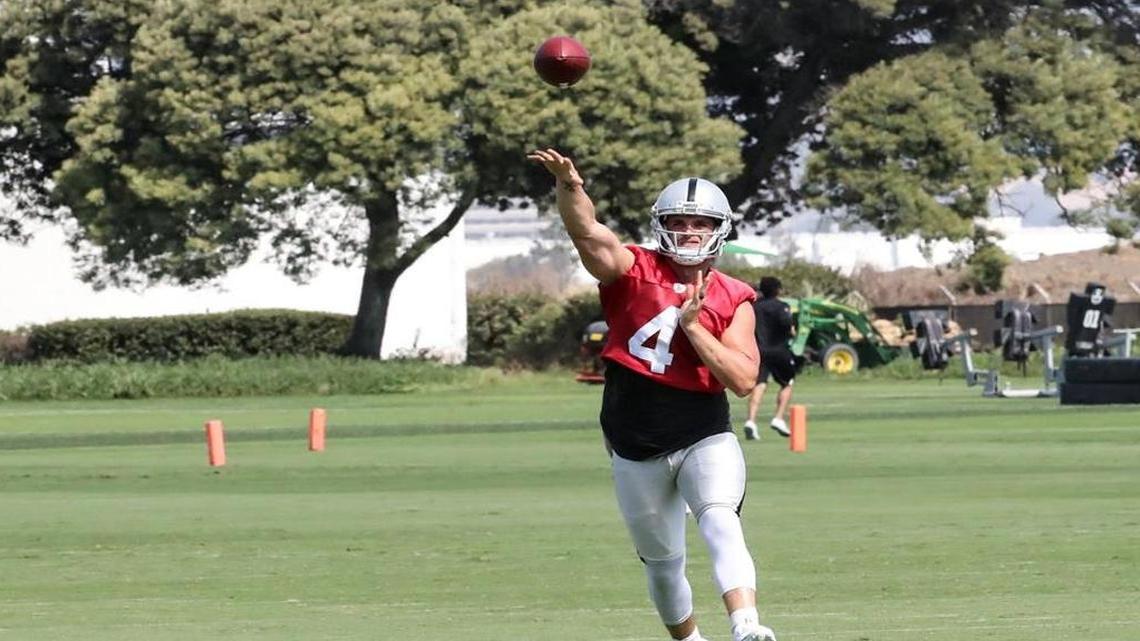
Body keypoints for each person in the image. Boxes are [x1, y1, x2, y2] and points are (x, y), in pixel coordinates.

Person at [526, 148, 778, 641]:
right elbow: (588, 233)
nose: (688, 231)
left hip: (703, 433)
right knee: (663, 563)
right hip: (634, 444)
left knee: (720, 519)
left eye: (699, 223)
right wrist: (571, 187)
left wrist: (695, 329)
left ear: (718, 229)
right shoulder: (634, 269)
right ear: (661, 225)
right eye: (679, 221)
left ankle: (747, 625)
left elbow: (744, 380)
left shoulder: (734, 296)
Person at [742, 277, 797, 440]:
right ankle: (778, 418)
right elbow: (787, 327)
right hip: (779, 351)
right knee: (788, 382)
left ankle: (751, 421)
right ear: (778, 290)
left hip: (759, 351)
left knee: (760, 384)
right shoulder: (782, 307)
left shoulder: (754, 306)